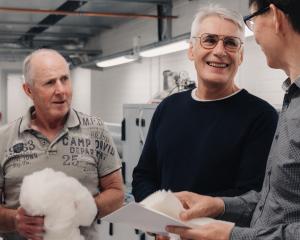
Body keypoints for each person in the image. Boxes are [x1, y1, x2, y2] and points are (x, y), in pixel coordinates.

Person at [166, 0, 300, 239]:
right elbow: (275, 202)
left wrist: (232, 235)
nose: (254, 33)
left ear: (275, 16)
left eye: (252, 19)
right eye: (209, 40)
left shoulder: (264, 115)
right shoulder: (292, 98)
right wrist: (219, 205)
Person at [132, 5, 278, 203]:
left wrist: (180, 214)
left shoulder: (261, 117)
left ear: (241, 56)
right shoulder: (168, 107)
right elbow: (143, 176)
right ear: (191, 50)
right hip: (165, 230)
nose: (219, 51)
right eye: (209, 40)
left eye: (231, 43)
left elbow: (251, 195)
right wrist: (156, 214)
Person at [0, 49, 124, 240]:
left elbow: (116, 193)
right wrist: (15, 220)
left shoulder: (96, 130)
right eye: (50, 82)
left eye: (65, 79)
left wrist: (85, 208)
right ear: (28, 90)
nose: (61, 90)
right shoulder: (4, 138)